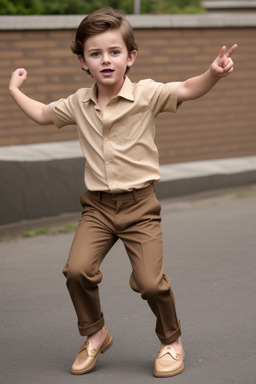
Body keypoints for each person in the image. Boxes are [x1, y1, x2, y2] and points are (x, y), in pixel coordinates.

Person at [9, 7, 237, 378]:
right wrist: (15, 89)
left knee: (150, 282)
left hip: (140, 206)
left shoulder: (146, 94)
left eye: (114, 51)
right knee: (77, 271)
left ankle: (171, 340)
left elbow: (186, 89)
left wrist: (212, 73)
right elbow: (40, 114)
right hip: (97, 208)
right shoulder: (78, 103)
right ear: (83, 62)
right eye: (95, 53)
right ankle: (96, 333)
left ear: (130, 57)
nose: (105, 60)